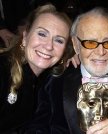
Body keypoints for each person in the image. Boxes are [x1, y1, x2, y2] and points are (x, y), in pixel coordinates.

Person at [27, 7, 108, 134]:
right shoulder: (54, 81)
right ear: (76, 44)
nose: (101, 52)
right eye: (90, 43)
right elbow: (37, 127)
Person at [0, 3, 71, 133]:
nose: (49, 46)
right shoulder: (3, 68)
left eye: (59, 40)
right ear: (25, 38)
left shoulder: (45, 81)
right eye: (42, 34)